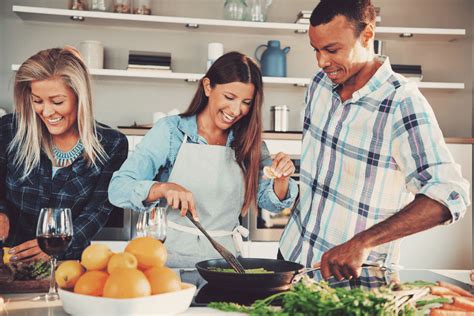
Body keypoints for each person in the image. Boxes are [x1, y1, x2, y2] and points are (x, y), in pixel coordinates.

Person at [279, 0, 470, 281]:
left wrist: (363, 242)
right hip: (292, 261)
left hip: (353, 283)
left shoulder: (402, 103)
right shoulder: (319, 85)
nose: (321, 62)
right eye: (316, 50)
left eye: (332, 50)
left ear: (367, 35)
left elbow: (450, 194)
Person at [109, 51, 298, 268]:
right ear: (208, 87)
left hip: (225, 262)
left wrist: (282, 178)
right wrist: (163, 188)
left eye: (246, 102)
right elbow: (118, 189)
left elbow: (270, 203)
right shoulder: (171, 132)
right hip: (166, 260)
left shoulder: (249, 142)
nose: (236, 110)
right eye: (229, 97)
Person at [0, 47, 128, 261]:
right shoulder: (8, 130)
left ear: (80, 97)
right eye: (37, 101)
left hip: (68, 265)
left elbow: (98, 210)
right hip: (9, 260)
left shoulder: (112, 144)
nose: (47, 112)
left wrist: (59, 246)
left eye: (57, 102)